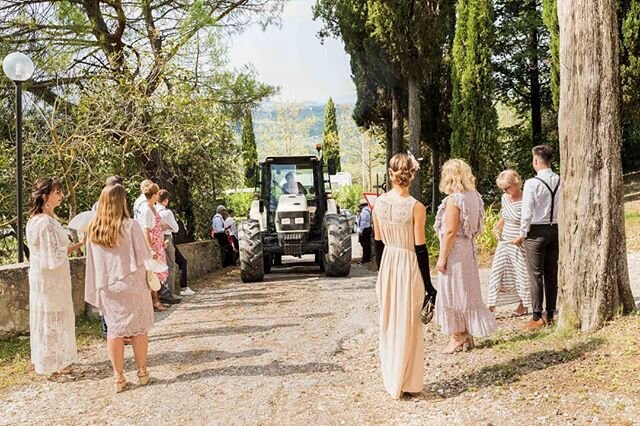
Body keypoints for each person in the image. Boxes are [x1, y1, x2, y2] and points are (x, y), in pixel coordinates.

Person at [371, 152, 434, 399]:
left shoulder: (378, 204)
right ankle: (407, 381)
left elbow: (377, 242)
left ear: (390, 174)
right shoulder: (416, 208)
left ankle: (392, 378)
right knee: (409, 324)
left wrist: (381, 273)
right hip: (408, 264)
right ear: (412, 174)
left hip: (388, 263)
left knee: (389, 322)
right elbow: (420, 248)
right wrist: (429, 285)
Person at [85, 184, 154, 393]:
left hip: (107, 285)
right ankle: (142, 372)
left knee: (114, 331)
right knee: (139, 328)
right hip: (132, 283)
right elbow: (143, 256)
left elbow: (92, 262)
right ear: (121, 202)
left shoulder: (93, 229)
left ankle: (119, 377)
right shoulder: (131, 226)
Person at [434, 159, 497, 354]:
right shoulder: (474, 196)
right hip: (468, 249)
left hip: (455, 250)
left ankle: (457, 335)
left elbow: (451, 231)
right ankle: (467, 332)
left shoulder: (454, 199)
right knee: (467, 290)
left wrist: (442, 257)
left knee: (452, 291)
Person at [26, 178, 83, 376]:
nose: (61, 196)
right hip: (50, 278)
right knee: (53, 315)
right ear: (45, 197)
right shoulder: (44, 222)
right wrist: (81, 244)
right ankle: (53, 362)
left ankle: (49, 359)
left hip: (45, 276)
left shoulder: (39, 220)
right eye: (57, 192)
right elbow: (54, 254)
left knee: (48, 315)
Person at [514, 145, 560, 329]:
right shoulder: (559, 179)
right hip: (554, 228)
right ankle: (550, 313)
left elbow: (527, 211)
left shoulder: (532, 183)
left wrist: (522, 233)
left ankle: (536, 316)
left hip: (535, 231)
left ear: (536, 161)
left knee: (535, 274)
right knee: (551, 274)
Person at [487, 170, 531, 316]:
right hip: (505, 240)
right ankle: (490, 305)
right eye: (503, 189)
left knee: (521, 274)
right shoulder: (505, 198)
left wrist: (521, 236)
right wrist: (497, 227)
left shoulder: (526, 199)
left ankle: (523, 305)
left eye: (507, 188)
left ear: (516, 183)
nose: (505, 191)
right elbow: (504, 215)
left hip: (519, 242)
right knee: (496, 272)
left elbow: (529, 221)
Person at [137, 183, 177, 310]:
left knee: (158, 273)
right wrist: (150, 248)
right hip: (153, 245)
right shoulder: (146, 210)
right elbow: (146, 230)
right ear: (154, 195)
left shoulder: (152, 207)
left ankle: (157, 299)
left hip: (158, 244)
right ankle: (154, 301)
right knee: (152, 274)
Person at [157, 190, 194, 296]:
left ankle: (162, 291)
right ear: (166, 200)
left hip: (157, 239)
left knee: (160, 265)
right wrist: (168, 226)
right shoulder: (166, 212)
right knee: (171, 265)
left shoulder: (153, 211)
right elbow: (176, 228)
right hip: (167, 237)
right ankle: (170, 292)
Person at [357, 199, 372, 264]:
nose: (359, 207)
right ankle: (367, 258)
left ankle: (365, 259)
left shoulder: (364, 212)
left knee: (365, 245)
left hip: (365, 230)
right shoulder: (368, 211)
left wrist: (360, 231)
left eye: (359, 206)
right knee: (367, 244)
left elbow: (363, 222)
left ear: (362, 206)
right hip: (367, 229)